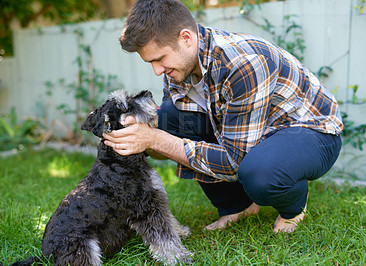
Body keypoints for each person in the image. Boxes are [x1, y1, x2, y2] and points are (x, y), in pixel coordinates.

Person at [103, 0, 343, 233]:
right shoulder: (179, 65)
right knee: (168, 117)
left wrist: (154, 139)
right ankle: (238, 205)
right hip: (251, 131)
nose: (157, 71)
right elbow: (169, 137)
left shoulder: (243, 63)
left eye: (159, 59)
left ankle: (293, 206)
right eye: (150, 62)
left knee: (259, 173)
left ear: (186, 38)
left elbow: (234, 162)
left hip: (309, 131)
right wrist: (144, 133)